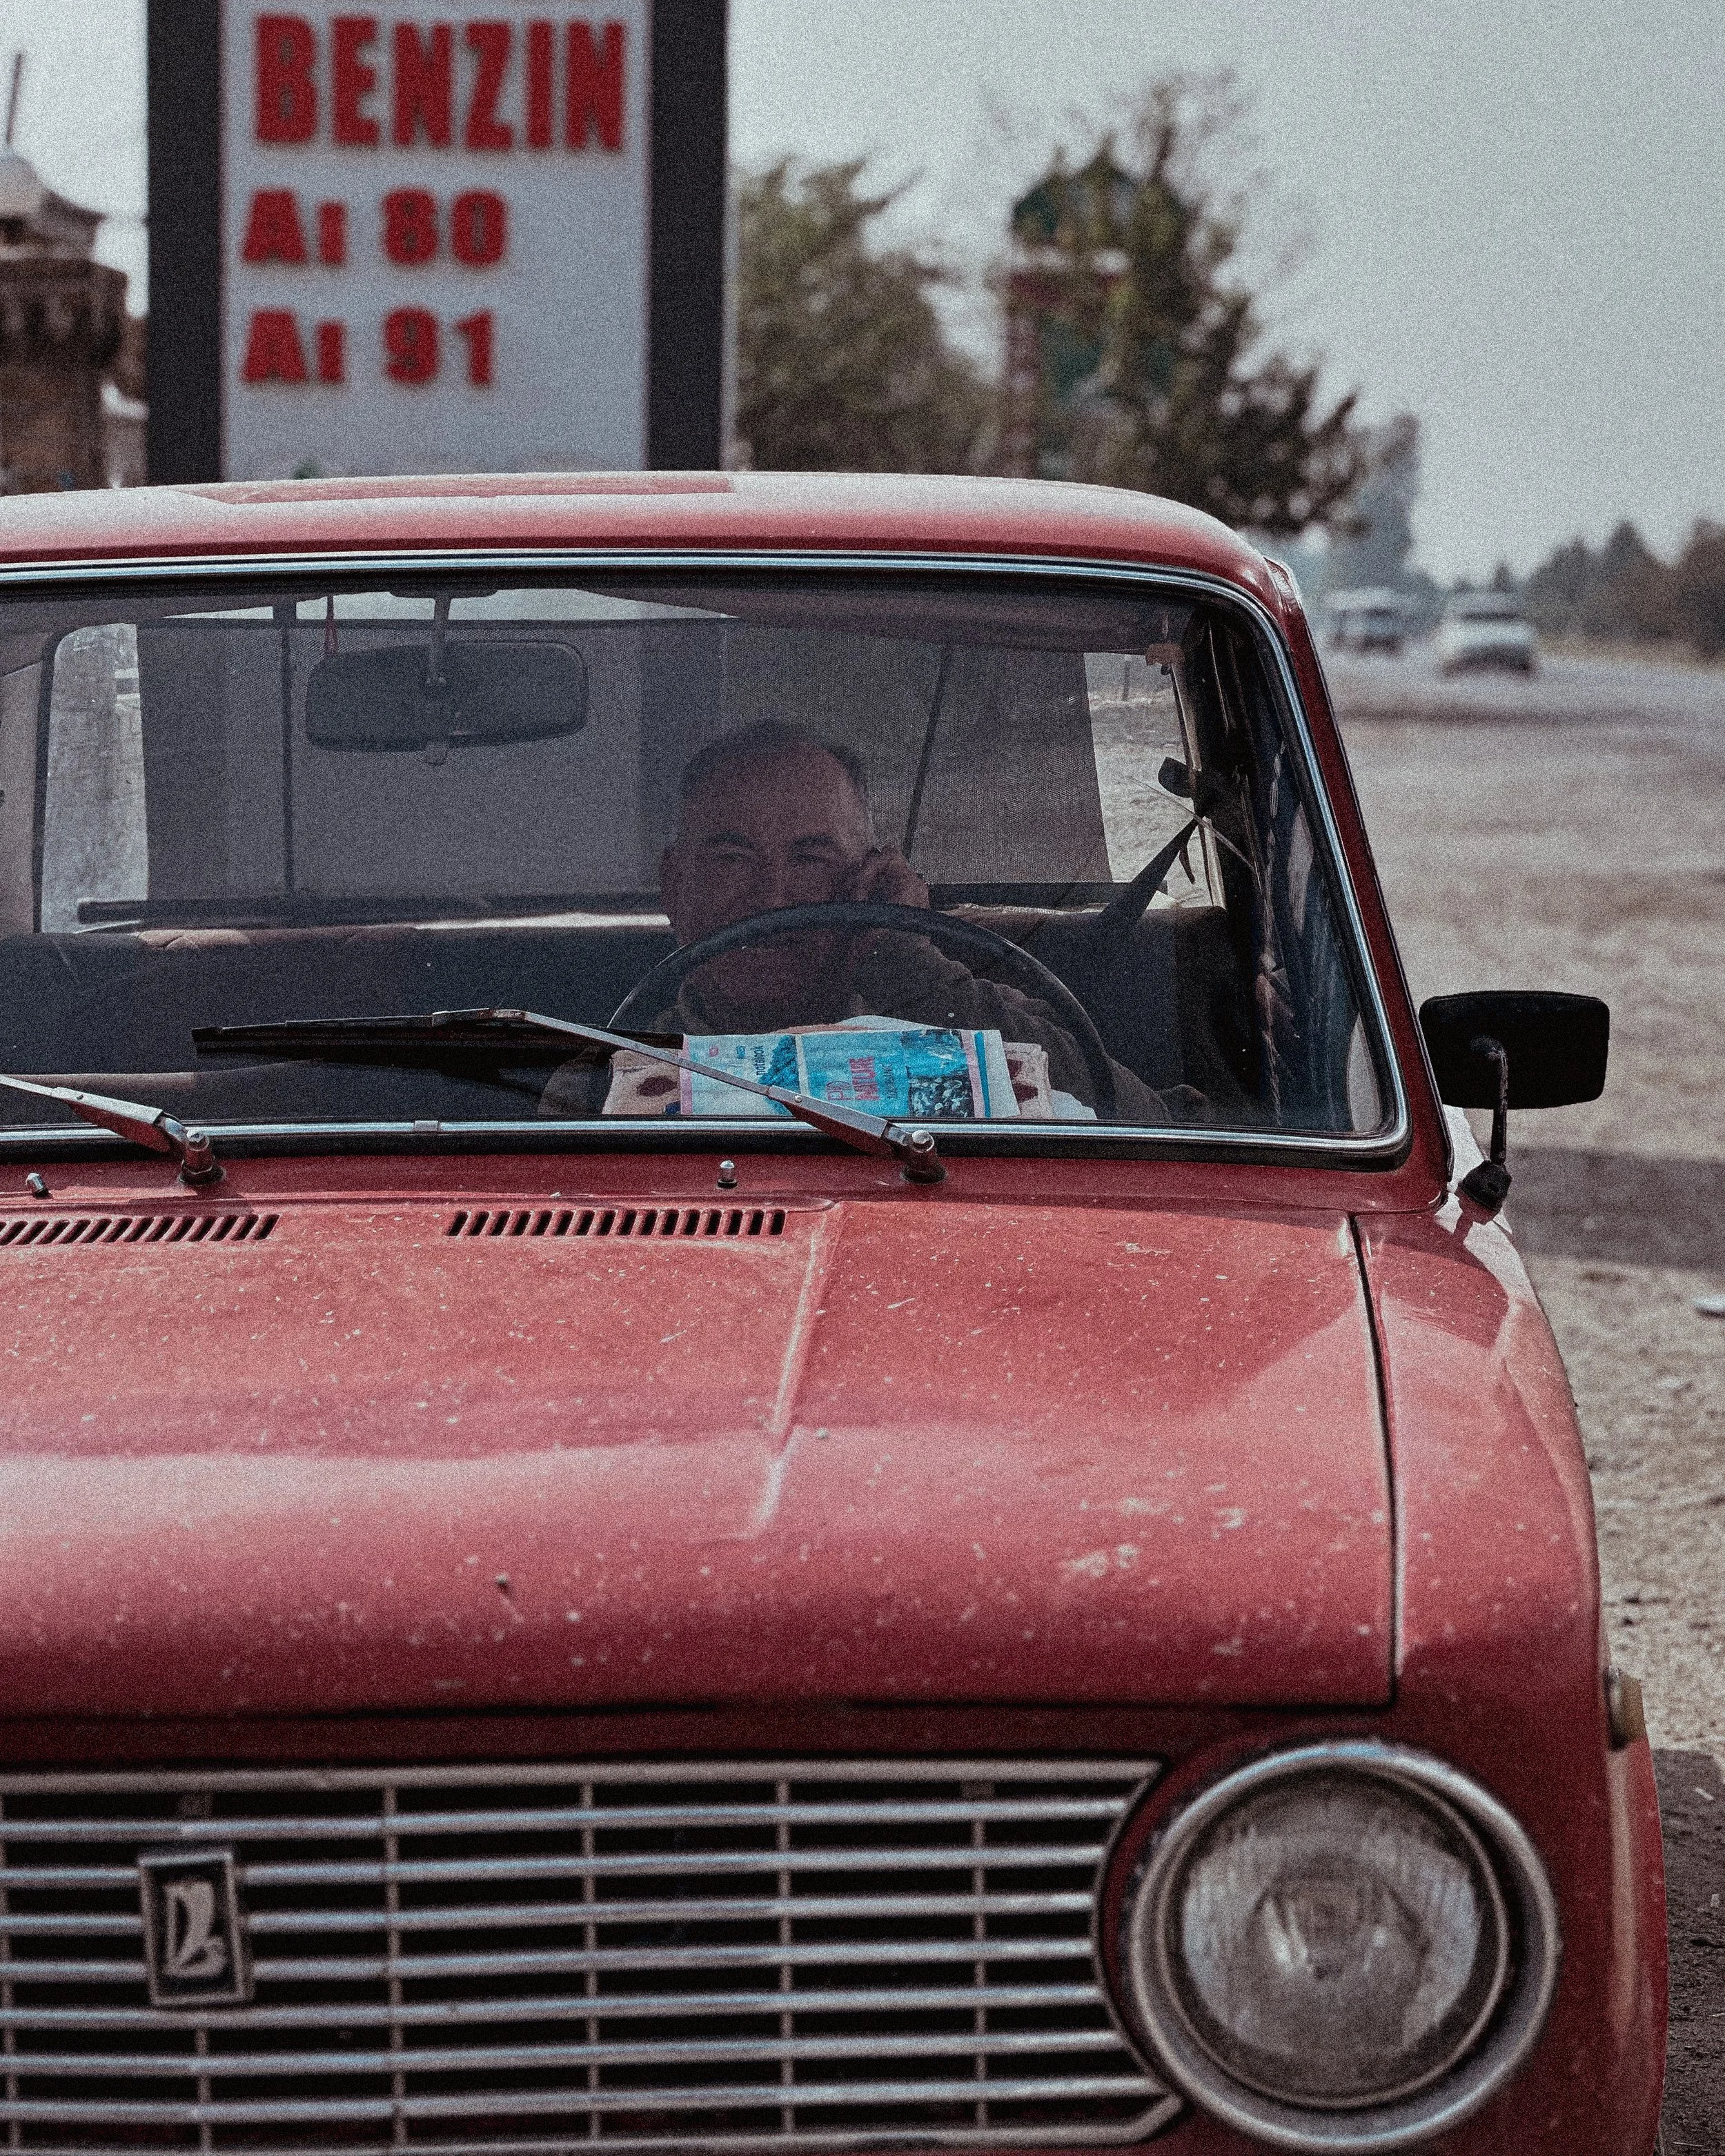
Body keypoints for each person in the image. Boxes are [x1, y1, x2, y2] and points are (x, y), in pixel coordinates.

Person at [549, 722, 1177, 1120]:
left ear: (871, 878)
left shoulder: (973, 1028)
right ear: (674, 885)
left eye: (812, 857)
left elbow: (1147, 1127)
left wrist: (911, 965)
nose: (773, 896)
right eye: (732, 858)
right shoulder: (599, 1082)